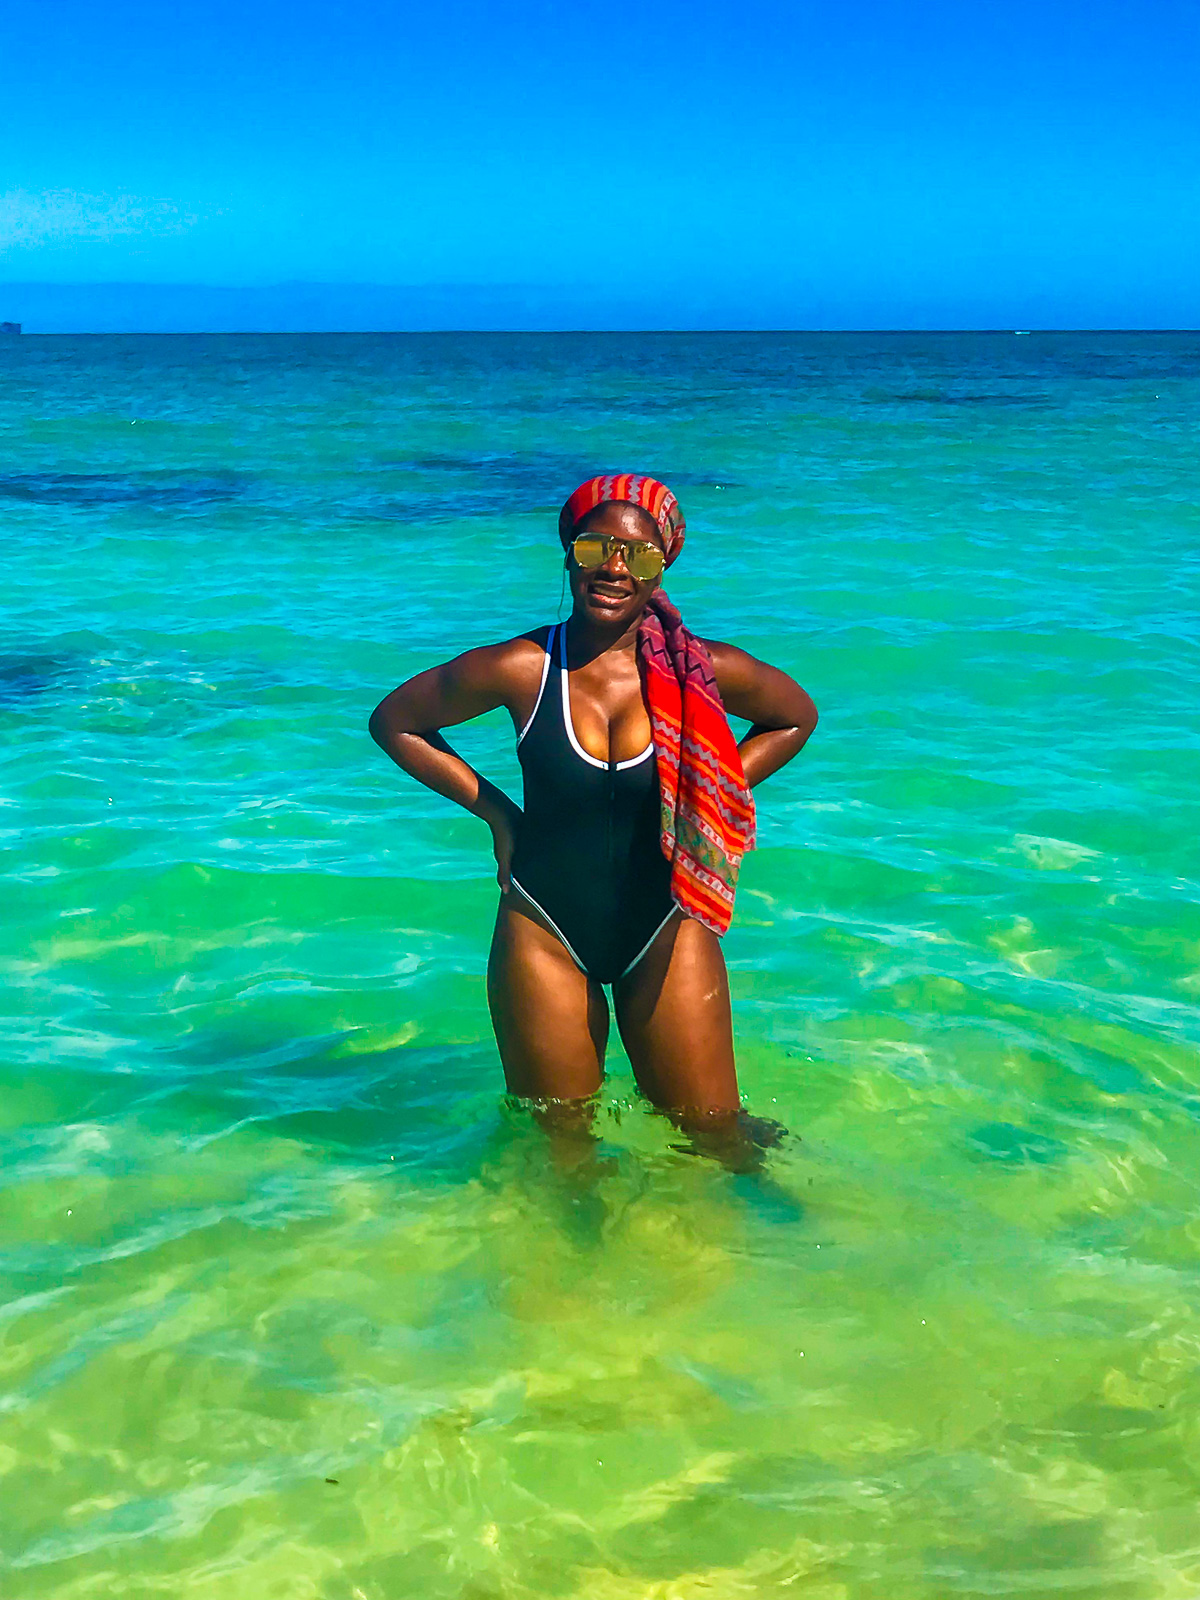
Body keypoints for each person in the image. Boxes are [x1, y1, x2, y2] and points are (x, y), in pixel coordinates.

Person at [369, 475, 817, 1157]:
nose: (613, 568)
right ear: (568, 556)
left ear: (661, 568)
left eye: (638, 554)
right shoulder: (523, 668)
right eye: (594, 548)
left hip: (666, 926)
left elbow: (794, 717)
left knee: (718, 1140)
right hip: (543, 929)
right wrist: (498, 815)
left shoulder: (701, 670)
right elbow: (396, 722)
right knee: (563, 1151)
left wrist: (708, 788)